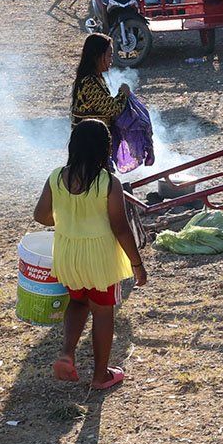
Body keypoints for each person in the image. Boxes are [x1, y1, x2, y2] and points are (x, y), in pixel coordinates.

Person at [34, 120, 146, 390]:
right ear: (105, 149)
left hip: (69, 253)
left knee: (78, 302)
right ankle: (100, 375)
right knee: (103, 311)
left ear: (72, 146)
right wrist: (137, 263)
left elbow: (40, 216)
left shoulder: (56, 177)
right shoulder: (108, 183)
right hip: (99, 257)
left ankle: (66, 354)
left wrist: (66, 220)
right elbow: (120, 228)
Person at [71, 33, 128, 129]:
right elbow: (112, 109)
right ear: (98, 56)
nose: (111, 60)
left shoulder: (96, 79)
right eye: (109, 56)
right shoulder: (89, 82)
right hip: (90, 139)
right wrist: (123, 93)